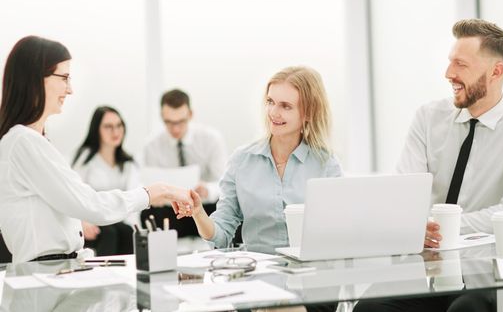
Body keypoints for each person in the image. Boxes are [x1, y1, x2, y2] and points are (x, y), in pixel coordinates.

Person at [354, 19, 503, 311]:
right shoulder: (428, 117)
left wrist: (444, 227)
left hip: (488, 273)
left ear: (496, 71)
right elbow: (403, 192)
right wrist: (415, 223)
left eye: (461, 65)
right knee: (369, 308)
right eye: (449, 62)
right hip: (423, 268)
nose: (449, 74)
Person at [0, 36, 193, 264]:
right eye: (64, 77)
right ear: (35, 79)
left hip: (60, 268)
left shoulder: (33, 142)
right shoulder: (23, 143)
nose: (70, 89)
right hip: (45, 274)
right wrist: (153, 192)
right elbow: (89, 205)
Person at [179, 66, 343, 254]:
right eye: (270, 102)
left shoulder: (326, 165)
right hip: (258, 276)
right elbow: (221, 235)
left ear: (308, 113)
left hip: (311, 273)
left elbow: (339, 231)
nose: (273, 112)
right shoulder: (242, 161)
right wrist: (199, 213)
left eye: (285, 106)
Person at [141, 88, 228, 238]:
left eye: (181, 122)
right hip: (171, 211)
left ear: (190, 115)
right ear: (162, 117)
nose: (175, 129)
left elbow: (224, 183)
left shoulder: (211, 139)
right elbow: (151, 185)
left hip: (204, 207)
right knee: (149, 214)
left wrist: (207, 189)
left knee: (225, 208)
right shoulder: (152, 145)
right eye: (169, 122)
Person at [72, 106, 140, 256]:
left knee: (127, 232)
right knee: (110, 232)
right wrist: (81, 222)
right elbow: (74, 194)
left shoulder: (129, 163)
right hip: (93, 222)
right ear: (97, 130)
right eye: (108, 127)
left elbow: (134, 201)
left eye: (118, 126)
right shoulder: (85, 159)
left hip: (119, 221)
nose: (115, 132)